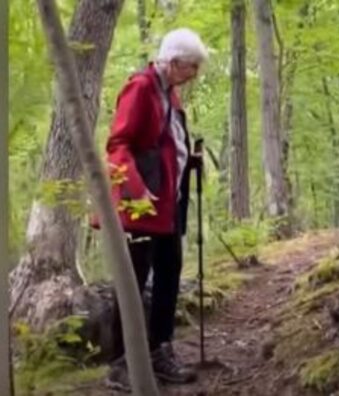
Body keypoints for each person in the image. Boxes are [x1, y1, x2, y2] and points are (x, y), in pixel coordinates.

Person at [97, 28, 208, 392]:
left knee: (169, 274)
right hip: (141, 204)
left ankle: (160, 350)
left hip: (168, 203)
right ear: (173, 61)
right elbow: (118, 144)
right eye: (190, 67)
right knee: (132, 281)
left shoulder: (170, 94)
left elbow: (166, 142)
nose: (194, 74)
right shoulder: (141, 87)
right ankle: (120, 363)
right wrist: (135, 190)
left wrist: (187, 161)